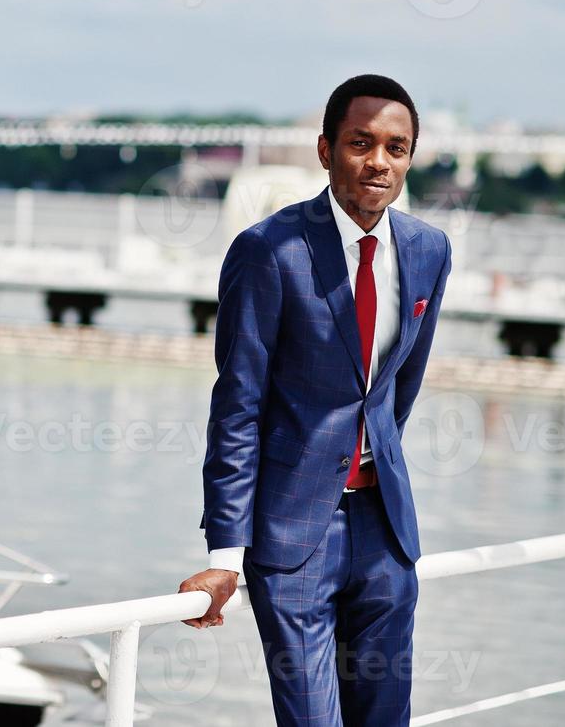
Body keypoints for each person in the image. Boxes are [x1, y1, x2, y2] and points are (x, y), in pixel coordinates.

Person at [178, 75, 453, 726]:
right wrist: (224, 555)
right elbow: (237, 409)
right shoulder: (267, 252)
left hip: (385, 536)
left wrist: (371, 466)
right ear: (325, 149)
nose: (378, 162)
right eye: (360, 143)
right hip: (293, 539)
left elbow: (395, 390)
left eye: (395, 147)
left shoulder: (427, 252)